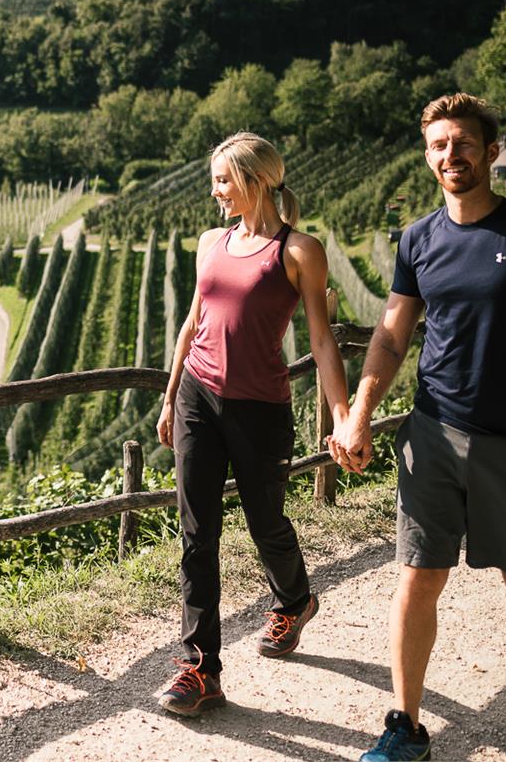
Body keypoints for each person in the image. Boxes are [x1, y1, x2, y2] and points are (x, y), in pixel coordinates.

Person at [332, 94, 506, 762]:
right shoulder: (418, 239)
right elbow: (391, 335)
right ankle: (404, 723)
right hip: (432, 434)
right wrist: (359, 411)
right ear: (428, 156)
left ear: (491, 151)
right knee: (417, 576)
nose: (453, 155)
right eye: (440, 145)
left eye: (465, 143)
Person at [154, 132, 352, 715]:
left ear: (257, 180)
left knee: (266, 523)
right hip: (198, 396)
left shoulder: (298, 251)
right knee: (198, 532)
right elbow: (193, 323)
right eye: (214, 180)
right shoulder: (210, 242)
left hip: (260, 409)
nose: (216, 192)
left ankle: (294, 598)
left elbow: (319, 339)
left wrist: (342, 415)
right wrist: (170, 399)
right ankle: (200, 670)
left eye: (223, 180)